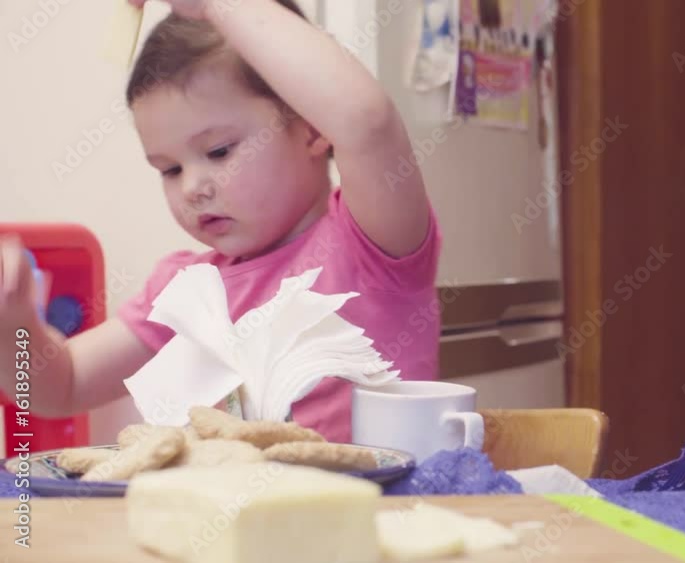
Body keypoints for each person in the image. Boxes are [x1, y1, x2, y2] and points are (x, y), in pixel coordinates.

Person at [0, 0, 441, 443]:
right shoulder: (188, 292)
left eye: (218, 151)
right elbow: (62, 385)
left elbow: (366, 121)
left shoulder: (369, 246)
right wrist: (13, 325)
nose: (192, 187)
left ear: (311, 127)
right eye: (170, 169)